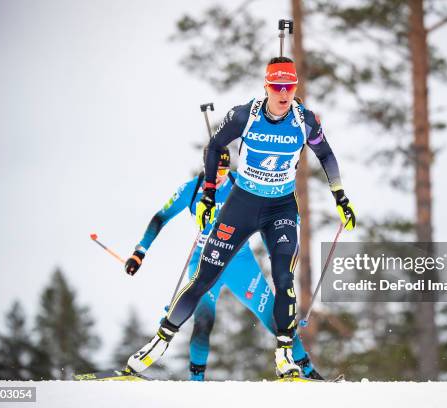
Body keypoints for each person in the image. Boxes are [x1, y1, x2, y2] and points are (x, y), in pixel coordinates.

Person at [128, 56, 356, 378]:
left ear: (294, 87)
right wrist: (208, 194)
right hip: (243, 203)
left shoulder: (304, 121)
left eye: (289, 86)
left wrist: (340, 197)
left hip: (281, 207)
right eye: (277, 85)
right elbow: (214, 146)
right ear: (266, 86)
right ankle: (158, 343)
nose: (283, 92)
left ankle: (284, 357)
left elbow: (327, 155)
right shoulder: (243, 115)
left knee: (283, 278)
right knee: (204, 277)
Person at [124, 147, 323, 380]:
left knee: (276, 319)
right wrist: (140, 251)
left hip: (240, 265)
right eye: (215, 170)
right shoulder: (191, 190)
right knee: (203, 322)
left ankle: (308, 372)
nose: (219, 176)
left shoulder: (241, 184)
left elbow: (273, 206)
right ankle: (195, 381)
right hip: (204, 261)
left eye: (224, 170)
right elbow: (160, 217)